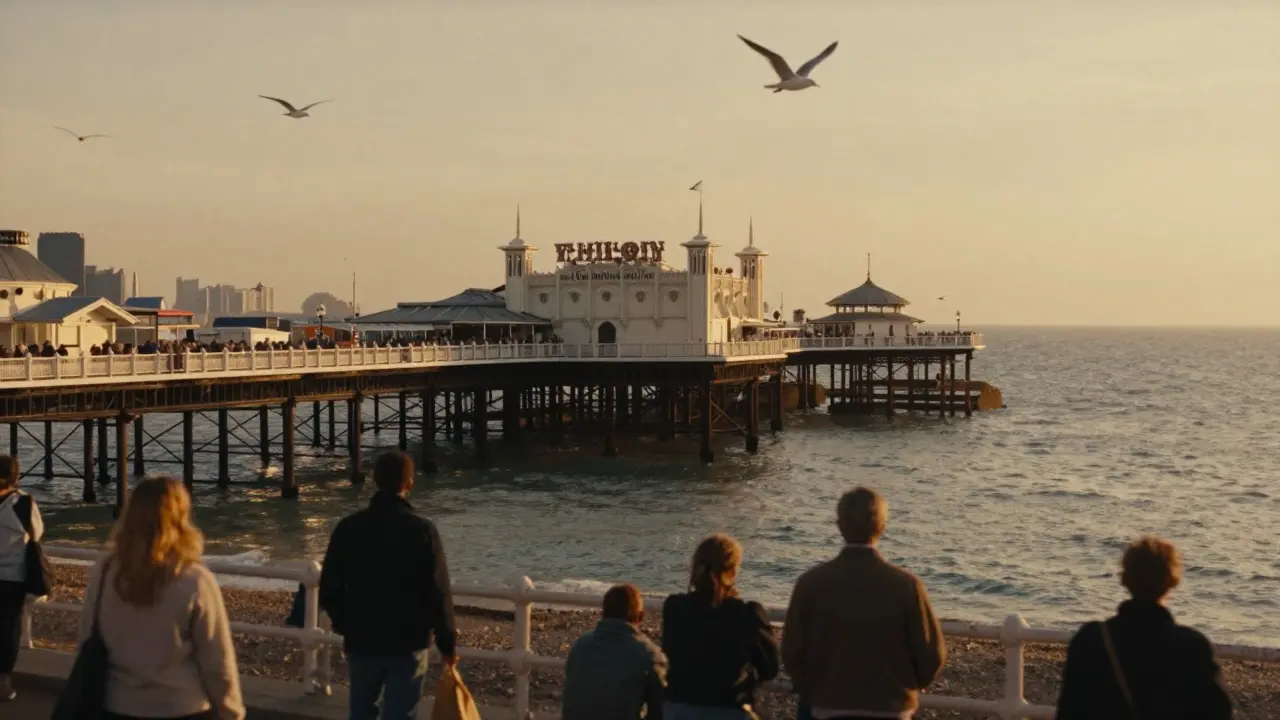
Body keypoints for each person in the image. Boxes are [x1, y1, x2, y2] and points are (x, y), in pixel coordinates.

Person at [80, 476, 244, 719]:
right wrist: (232, 711)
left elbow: (86, 635)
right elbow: (216, 659)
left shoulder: (106, 571)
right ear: (181, 516)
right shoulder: (193, 579)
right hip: (182, 705)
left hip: (117, 704)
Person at [783, 487, 946, 720]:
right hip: (891, 706)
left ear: (840, 526)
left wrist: (812, 687)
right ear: (882, 527)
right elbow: (931, 653)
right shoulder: (906, 585)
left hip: (828, 705)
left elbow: (793, 650)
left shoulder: (811, 583)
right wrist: (913, 682)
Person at [319, 451, 457, 720]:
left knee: (360, 712)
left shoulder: (349, 528)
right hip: (409, 640)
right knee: (400, 713)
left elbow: (329, 588)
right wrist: (447, 643)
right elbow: (438, 591)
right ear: (410, 483)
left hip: (362, 638)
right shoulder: (422, 531)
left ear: (375, 479)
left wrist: (346, 624)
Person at [1056, 536, 1234, 719]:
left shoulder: (1090, 640)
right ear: (1171, 581)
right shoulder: (1193, 648)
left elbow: (1069, 711)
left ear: (1125, 579)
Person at [661, 534, 779, 720]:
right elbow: (770, 669)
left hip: (676, 708)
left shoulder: (674, 608)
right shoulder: (748, 614)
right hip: (728, 708)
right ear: (732, 570)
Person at [562, 584, 667, 720]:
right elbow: (661, 710)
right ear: (640, 617)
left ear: (603, 612)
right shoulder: (648, 654)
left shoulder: (580, 646)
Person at [0, 455, 41, 702]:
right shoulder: (23, 503)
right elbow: (36, 533)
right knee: (8, 631)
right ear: (16, 476)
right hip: (12, 578)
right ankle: (3, 682)